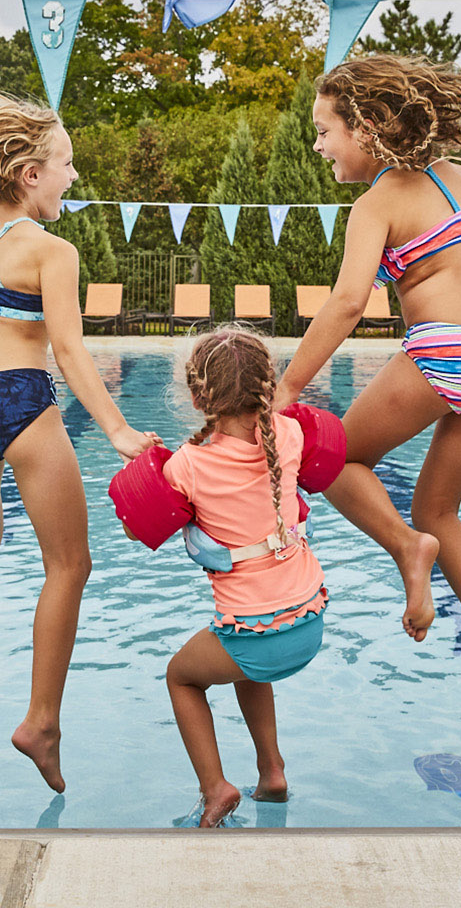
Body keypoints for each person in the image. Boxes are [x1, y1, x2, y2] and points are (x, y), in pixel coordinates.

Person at [271, 54, 461, 722]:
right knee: (438, 509)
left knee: (331, 459)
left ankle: (404, 547)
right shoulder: (456, 178)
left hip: (447, 347)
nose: (318, 145)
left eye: (324, 131)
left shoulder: (377, 202)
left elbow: (346, 303)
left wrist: (288, 386)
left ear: (366, 128)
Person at [0, 77, 157, 794]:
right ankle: (41, 722)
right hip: (21, 402)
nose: (73, 176)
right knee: (69, 565)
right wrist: (115, 429)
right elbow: (70, 351)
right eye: (65, 163)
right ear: (29, 174)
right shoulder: (53, 251)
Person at [121, 328, 330, 827]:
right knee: (243, 664)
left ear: (197, 399)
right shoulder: (291, 435)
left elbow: (138, 527)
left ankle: (215, 787)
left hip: (258, 636)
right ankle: (271, 771)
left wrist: (145, 469)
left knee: (182, 676)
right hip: (310, 620)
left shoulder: (187, 466)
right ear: (268, 388)